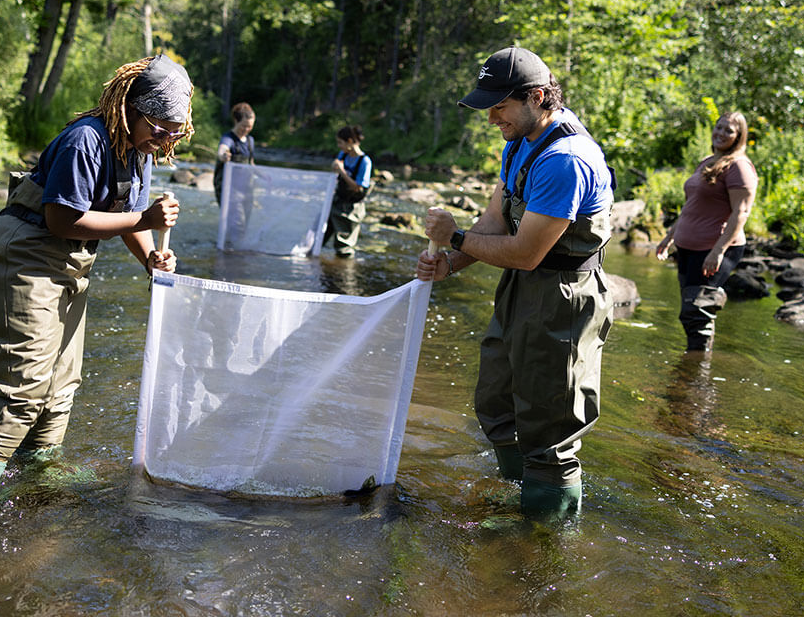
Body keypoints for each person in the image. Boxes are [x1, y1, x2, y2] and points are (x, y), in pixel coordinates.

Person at [0, 54, 194, 491]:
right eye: (159, 128)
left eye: (175, 132)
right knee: (21, 391)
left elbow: (132, 213)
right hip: (20, 257)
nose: (165, 139)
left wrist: (151, 259)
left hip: (68, 263)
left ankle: (34, 480)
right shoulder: (86, 141)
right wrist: (146, 222)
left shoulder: (139, 150)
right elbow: (62, 218)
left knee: (60, 387)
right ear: (130, 109)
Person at [415, 46, 614, 520]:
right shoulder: (519, 142)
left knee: (550, 427)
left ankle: (545, 541)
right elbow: (495, 223)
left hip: (564, 298)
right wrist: (451, 262)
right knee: (496, 401)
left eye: (498, 107)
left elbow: (526, 252)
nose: (491, 119)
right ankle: (516, 497)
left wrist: (454, 235)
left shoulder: (566, 160)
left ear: (538, 97)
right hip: (522, 288)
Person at [655, 111, 758, 352]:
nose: (721, 133)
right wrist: (670, 236)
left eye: (729, 130)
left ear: (739, 137)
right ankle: (694, 365)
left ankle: (698, 373)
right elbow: (692, 205)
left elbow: (741, 212)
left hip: (715, 248)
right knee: (690, 312)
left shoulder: (739, 167)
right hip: (689, 248)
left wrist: (718, 251)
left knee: (698, 311)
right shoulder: (708, 161)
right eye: (719, 127)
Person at [323, 125, 373, 258]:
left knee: (344, 247)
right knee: (321, 234)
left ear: (350, 141)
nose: (338, 146)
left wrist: (342, 171)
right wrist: (335, 168)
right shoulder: (343, 155)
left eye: (340, 142)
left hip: (351, 209)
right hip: (337, 202)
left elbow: (358, 187)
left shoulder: (365, 161)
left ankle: (343, 273)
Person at [214, 102, 256, 204]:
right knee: (235, 218)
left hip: (244, 188)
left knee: (243, 219)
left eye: (249, 126)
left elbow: (251, 163)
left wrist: (265, 176)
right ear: (236, 121)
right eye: (243, 126)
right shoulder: (228, 138)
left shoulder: (250, 141)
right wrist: (224, 156)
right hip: (228, 189)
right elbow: (222, 150)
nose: (246, 129)